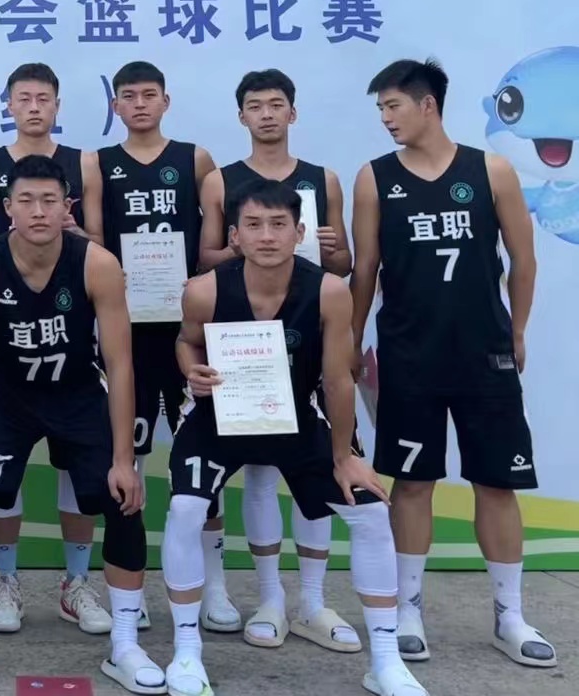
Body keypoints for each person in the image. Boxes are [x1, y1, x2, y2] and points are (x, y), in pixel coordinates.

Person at [159, 178, 428, 696]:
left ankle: (387, 661)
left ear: (299, 232)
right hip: (219, 419)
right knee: (186, 509)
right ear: (235, 235)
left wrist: (345, 455)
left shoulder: (328, 291)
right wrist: (192, 371)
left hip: (295, 418)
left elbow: (337, 380)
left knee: (372, 511)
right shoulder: (205, 289)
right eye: (254, 225)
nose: (266, 236)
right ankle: (187, 651)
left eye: (279, 224)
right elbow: (185, 342)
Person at [350, 58, 555, 668]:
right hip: (409, 355)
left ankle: (509, 615)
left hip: (484, 354)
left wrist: (517, 330)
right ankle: (408, 609)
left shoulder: (490, 171)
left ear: (427, 105)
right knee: (412, 482)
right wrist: (351, 344)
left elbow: (523, 260)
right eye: (380, 109)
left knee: (497, 482)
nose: (386, 119)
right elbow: (365, 271)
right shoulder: (374, 178)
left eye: (393, 106)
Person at [0, 154, 161, 693]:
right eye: (26, 200)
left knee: (123, 498)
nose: (38, 211)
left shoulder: (96, 263)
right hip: (5, 397)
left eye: (49, 200)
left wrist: (125, 460)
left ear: (68, 207)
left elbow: (120, 363)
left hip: (76, 394)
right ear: (8, 208)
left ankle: (125, 645)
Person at [197, 68, 357, 652]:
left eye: (276, 104)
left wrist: (331, 250)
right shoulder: (221, 180)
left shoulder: (323, 179)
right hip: (248, 346)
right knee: (262, 474)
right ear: (241, 115)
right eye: (255, 105)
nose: (266, 114)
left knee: (317, 476)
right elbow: (206, 256)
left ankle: (312, 601)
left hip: (308, 339)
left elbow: (342, 266)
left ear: (293, 112)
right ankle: (270, 597)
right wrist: (249, 248)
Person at [95, 61, 235, 633]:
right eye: (128, 96)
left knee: (202, 455)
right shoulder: (99, 163)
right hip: (127, 332)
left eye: (149, 94)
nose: (139, 104)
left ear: (166, 101)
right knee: (126, 460)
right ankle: (132, 583)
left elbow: (213, 243)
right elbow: (96, 244)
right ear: (115, 106)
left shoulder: (195, 159)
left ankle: (215, 585)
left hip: (186, 331)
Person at [0, 62, 103, 635]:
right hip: (11, 337)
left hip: (70, 345)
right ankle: (6, 580)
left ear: (57, 104)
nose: (33, 107)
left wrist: (66, 238)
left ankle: (77, 583)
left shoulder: (83, 161)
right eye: (23, 98)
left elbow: (97, 238)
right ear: (9, 104)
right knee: (3, 475)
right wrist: (24, 244)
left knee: (79, 475)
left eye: (43, 98)